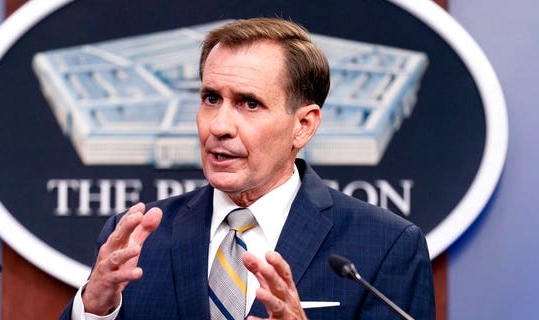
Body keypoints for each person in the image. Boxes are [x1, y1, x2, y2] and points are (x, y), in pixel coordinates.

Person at [60, 17, 435, 320]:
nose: (219, 126)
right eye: (211, 98)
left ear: (303, 125)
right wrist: (94, 308)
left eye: (249, 103)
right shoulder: (141, 241)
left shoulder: (385, 246)